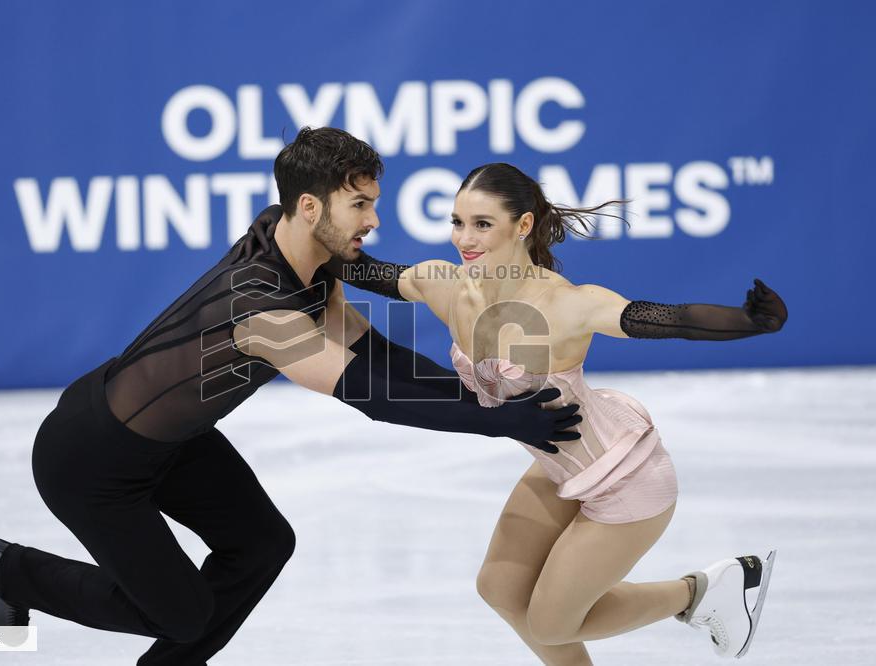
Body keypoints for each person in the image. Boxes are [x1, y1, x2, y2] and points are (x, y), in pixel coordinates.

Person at [0, 132, 583, 665]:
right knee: (185, 615)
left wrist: (483, 398)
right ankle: (7, 570)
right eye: (359, 205)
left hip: (173, 439)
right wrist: (496, 421)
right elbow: (368, 394)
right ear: (311, 207)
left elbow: (376, 354)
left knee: (262, 543)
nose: (374, 220)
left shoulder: (290, 238)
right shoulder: (262, 311)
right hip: (94, 458)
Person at [318, 161, 787, 663]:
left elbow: (663, 319)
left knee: (552, 622)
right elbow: (362, 269)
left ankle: (699, 593)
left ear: (522, 226)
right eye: (457, 222)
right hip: (557, 465)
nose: (464, 239)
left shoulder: (566, 304)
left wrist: (748, 322)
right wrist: (298, 232)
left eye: (482, 224)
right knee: (499, 586)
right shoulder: (444, 284)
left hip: (627, 478)